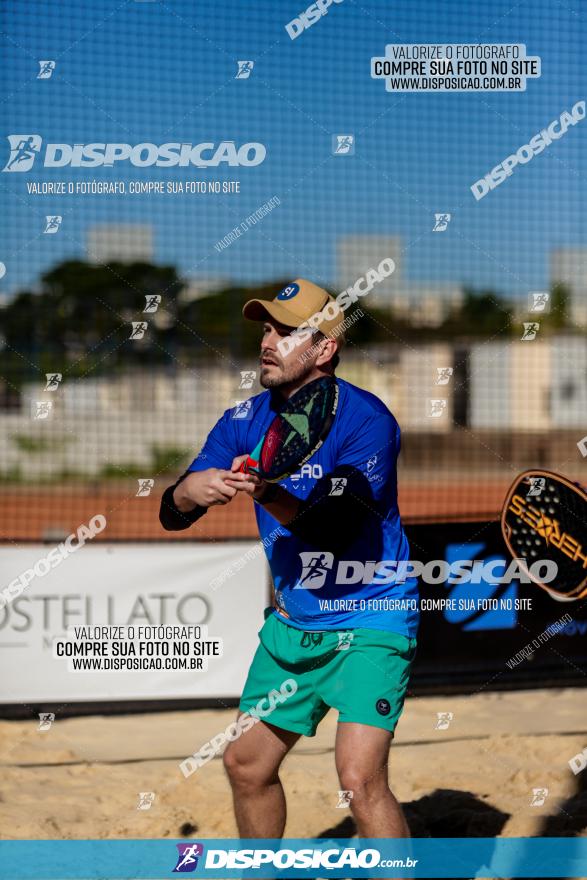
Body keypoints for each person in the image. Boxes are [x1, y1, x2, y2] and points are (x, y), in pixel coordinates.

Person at [160, 278, 419, 842]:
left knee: (358, 779)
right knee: (246, 765)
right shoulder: (242, 419)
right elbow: (172, 513)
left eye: (286, 331)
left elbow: (334, 525)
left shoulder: (366, 420)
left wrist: (263, 489)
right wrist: (190, 490)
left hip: (371, 616)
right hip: (296, 623)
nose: (267, 341)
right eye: (266, 329)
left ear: (325, 348)